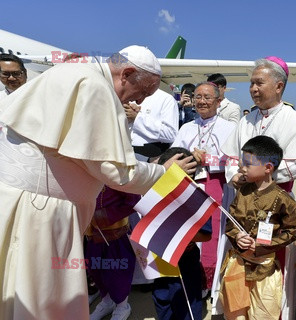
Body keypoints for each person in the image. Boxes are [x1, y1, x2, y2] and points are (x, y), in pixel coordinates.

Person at [0, 45, 195, 320]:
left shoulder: (70, 72)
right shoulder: (94, 86)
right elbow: (117, 172)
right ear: (126, 74)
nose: (138, 102)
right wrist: (163, 172)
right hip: (39, 213)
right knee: (39, 299)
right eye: (143, 92)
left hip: (17, 201)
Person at [221, 56, 296, 319]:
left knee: (273, 261)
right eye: (251, 83)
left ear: (279, 86)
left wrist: (260, 176)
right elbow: (230, 159)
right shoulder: (246, 120)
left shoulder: (294, 120)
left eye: (259, 82)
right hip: (243, 202)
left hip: (276, 204)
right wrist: (235, 175)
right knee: (240, 250)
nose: (253, 89)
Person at [220, 135, 296, 319]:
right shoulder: (242, 192)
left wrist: (263, 245)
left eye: (248, 165)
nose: (242, 168)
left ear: (268, 168)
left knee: (263, 312)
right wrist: (237, 237)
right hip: (238, 263)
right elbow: (230, 221)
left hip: (265, 267)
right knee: (235, 312)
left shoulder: (283, 199)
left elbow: (293, 231)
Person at [171, 81, 236, 294]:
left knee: (212, 234)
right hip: (189, 185)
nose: (201, 101)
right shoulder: (187, 127)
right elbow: (174, 154)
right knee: (191, 232)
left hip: (215, 183)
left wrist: (207, 160)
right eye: (198, 97)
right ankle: (193, 276)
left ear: (218, 101)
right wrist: (191, 157)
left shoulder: (230, 128)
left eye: (207, 97)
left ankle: (211, 282)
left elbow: (234, 160)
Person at [150, 147, 212, 320]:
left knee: (187, 304)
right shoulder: (156, 195)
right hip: (160, 262)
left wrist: (180, 234)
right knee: (162, 300)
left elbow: (206, 234)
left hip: (186, 262)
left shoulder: (197, 199)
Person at [85, 187, 140, 320]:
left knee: (117, 273)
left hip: (116, 236)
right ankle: (107, 302)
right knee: (96, 271)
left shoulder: (117, 174)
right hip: (92, 235)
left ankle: (122, 306)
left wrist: (104, 217)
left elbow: (134, 201)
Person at [125, 87, 179, 162]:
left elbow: (170, 134)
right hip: (125, 151)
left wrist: (138, 118)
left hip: (151, 155)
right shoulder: (126, 95)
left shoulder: (166, 99)